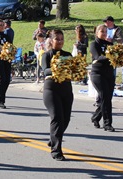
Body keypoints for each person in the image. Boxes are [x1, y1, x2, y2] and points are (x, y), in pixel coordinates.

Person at [41, 29, 73, 161]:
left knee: (66, 119)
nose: (59, 41)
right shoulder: (47, 55)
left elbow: (73, 69)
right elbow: (45, 70)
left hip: (66, 89)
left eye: (61, 39)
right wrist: (57, 67)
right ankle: (56, 150)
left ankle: (53, 138)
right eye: (57, 39)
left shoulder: (68, 54)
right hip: (51, 90)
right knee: (57, 118)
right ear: (51, 40)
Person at [90, 24, 115, 131]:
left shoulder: (110, 44)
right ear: (97, 32)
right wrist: (110, 56)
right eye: (102, 31)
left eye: (105, 31)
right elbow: (97, 57)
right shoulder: (93, 44)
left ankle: (95, 117)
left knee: (108, 98)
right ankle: (107, 123)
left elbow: (116, 57)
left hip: (109, 74)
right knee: (105, 97)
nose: (104, 33)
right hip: (98, 74)